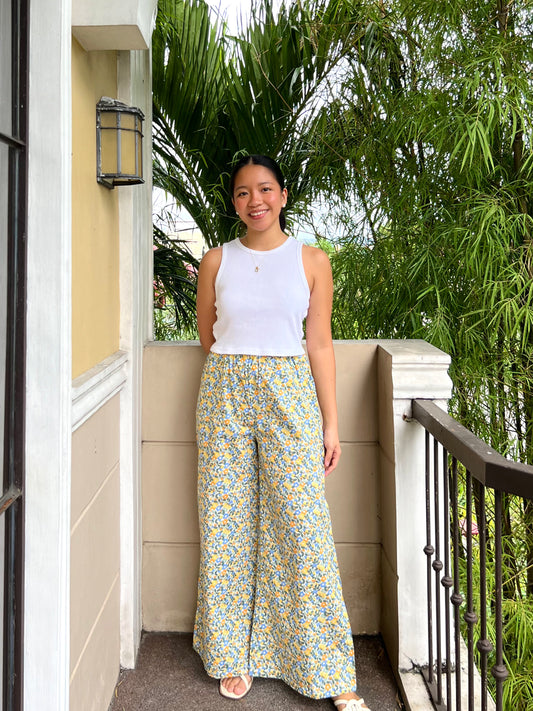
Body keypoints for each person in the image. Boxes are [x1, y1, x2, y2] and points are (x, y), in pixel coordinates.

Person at [193, 154, 370, 711]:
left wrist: (331, 424)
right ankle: (231, 653)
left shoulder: (311, 260)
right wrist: (240, 369)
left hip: (290, 395)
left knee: (302, 525)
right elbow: (209, 334)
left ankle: (329, 670)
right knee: (225, 522)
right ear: (234, 202)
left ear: (283, 195)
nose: (256, 200)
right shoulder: (216, 260)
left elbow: (320, 343)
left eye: (265, 189)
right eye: (244, 192)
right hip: (224, 392)